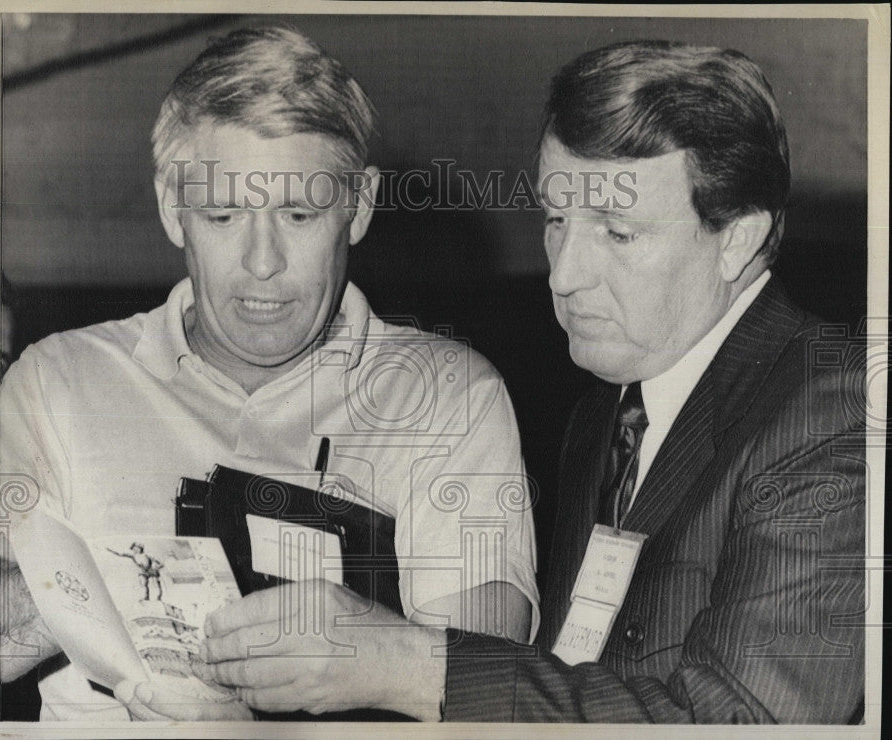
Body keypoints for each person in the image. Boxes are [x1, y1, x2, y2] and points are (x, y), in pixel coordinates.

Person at [183, 40, 866, 724]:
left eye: (617, 233)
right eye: (557, 220)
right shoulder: (608, 411)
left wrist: (407, 665)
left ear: (737, 240)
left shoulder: (834, 410)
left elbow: (745, 725)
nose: (563, 275)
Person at [0, 25, 538, 721]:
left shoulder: (451, 397)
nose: (262, 263)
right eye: (223, 214)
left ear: (359, 207)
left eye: (299, 213)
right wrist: (130, 587)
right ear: (173, 208)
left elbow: (488, 691)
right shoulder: (56, 381)